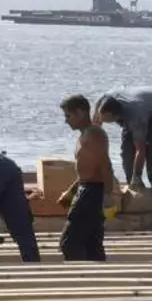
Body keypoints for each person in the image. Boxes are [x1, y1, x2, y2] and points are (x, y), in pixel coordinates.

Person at [94, 86, 152, 213]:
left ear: (116, 116)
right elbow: (94, 132)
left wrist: (137, 175)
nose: (103, 121)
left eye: (107, 120)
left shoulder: (136, 116)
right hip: (134, 107)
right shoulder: (102, 102)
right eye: (101, 117)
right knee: (126, 153)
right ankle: (135, 198)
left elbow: (140, 150)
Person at [58, 94, 116, 261]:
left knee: (69, 243)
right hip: (86, 189)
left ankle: (78, 272)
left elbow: (105, 165)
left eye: (68, 116)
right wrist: (70, 192)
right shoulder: (83, 135)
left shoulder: (94, 134)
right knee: (92, 243)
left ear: (81, 113)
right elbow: (86, 171)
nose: (66, 121)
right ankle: (97, 271)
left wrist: (108, 195)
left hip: (92, 193)